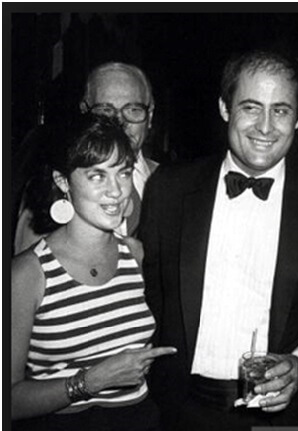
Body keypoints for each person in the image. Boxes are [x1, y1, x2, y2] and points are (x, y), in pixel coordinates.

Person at [139, 48, 298, 430]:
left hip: (282, 418)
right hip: (178, 412)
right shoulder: (169, 190)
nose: (265, 127)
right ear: (225, 108)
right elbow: (146, 298)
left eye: (281, 110)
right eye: (251, 108)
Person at [11, 114, 176, 431]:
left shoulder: (136, 255)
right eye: (97, 175)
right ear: (63, 182)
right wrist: (91, 381)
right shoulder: (27, 274)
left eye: (123, 173)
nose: (117, 191)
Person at [14, 62, 157, 255]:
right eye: (105, 110)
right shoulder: (50, 187)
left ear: (150, 115)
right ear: (84, 113)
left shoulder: (171, 182)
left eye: (133, 110)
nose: (120, 123)